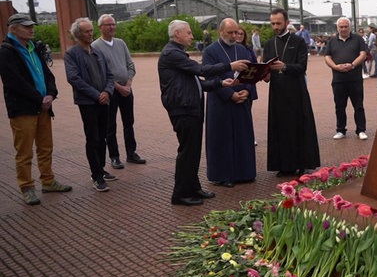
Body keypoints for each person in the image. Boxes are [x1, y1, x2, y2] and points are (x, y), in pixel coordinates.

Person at [158, 19, 246, 206]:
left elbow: (197, 81)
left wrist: (220, 83)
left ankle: (193, 187)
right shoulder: (172, 53)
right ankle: (180, 193)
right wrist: (230, 66)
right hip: (183, 108)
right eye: (188, 33)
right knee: (187, 151)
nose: (192, 36)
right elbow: (201, 70)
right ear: (177, 35)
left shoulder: (178, 53)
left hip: (190, 107)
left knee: (193, 151)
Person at [0, 14, 72, 205]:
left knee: (45, 147)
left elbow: (47, 74)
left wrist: (51, 94)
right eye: (26, 27)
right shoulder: (6, 51)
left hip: (44, 106)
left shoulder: (34, 48)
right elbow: (15, 82)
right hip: (24, 109)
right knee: (24, 152)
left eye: (32, 26)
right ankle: (27, 187)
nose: (31, 29)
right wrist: (39, 99)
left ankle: (48, 181)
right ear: (13, 29)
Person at [262, 8, 320, 176]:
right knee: (280, 128)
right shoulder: (268, 44)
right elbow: (265, 68)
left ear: (287, 22)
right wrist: (263, 74)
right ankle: (283, 165)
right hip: (277, 93)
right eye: (272, 23)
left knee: (297, 127)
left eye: (278, 23)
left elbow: (302, 67)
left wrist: (285, 66)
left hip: (296, 92)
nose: (275, 26)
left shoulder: (299, 41)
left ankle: (301, 163)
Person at [202, 19, 258, 186]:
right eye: (230, 33)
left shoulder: (242, 49)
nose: (234, 36)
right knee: (223, 139)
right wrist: (229, 94)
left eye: (236, 32)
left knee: (243, 137)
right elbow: (210, 76)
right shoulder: (210, 51)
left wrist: (247, 90)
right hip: (221, 102)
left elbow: (251, 72)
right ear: (221, 32)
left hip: (242, 99)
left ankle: (245, 172)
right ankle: (224, 175)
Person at [64, 17, 117, 192]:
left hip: (104, 100)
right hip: (88, 103)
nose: (91, 33)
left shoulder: (97, 51)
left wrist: (107, 91)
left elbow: (110, 75)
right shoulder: (72, 54)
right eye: (87, 31)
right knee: (92, 138)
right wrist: (96, 95)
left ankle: (101, 168)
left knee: (103, 136)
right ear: (78, 34)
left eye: (91, 30)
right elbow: (74, 79)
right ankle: (96, 176)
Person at [91, 14, 146, 170]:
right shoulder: (95, 47)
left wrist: (128, 83)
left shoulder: (121, 43)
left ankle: (131, 152)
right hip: (110, 91)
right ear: (100, 27)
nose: (112, 27)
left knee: (129, 122)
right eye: (108, 25)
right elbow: (100, 73)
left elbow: (130, 64)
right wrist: (118, 87)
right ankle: (114, 157)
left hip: (127, 89)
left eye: (113, 24)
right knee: (110, 125)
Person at [325, 17, 369, 140]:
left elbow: (363, 54)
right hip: (338, 80)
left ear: (350, 27)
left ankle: (361, 130)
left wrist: (353, 65)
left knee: (358, 105)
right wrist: (335, 67)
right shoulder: (332, 41)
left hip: (355, 79)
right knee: (339, 106)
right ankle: (340, 130)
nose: (343, 29)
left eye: (346, 26)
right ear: (337, 28)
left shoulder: (358, 39)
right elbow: (327, 56)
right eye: (341, 27)